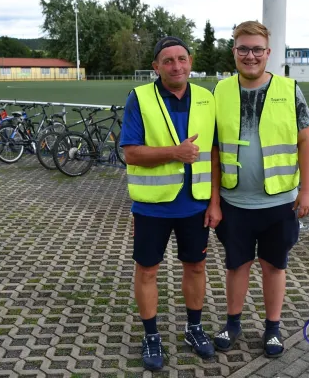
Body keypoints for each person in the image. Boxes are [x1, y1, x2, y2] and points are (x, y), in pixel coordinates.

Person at [211, 21, 309, 358]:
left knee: (274, 265)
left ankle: (272, 328)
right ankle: (233, 323)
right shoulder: (220, 91)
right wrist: (214, 200)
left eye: (257, 49)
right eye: (243, 48)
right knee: (237, 265)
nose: (251, 55)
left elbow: (307, 141)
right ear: (234, 52)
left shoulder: (290, 89)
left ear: (268, 53)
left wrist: (308, 190)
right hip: (234, 201)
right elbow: (213, 149)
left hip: (280, 201)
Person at [120, 36, 221, 371]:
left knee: (196, 267)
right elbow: (131, 152)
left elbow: (214, 154)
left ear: (190, 61)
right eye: (168, 60)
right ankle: (151, 335)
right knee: (147, 270)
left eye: (182, 59)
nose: (176, 66)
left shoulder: (208, 98)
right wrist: (174, 153)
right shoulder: (140, 98)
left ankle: (194, 329)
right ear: (156, 67)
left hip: (196, 204)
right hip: (152, 206)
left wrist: (214, 202)